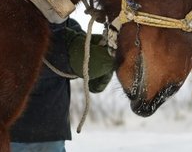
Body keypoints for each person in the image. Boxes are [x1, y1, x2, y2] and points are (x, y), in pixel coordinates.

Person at [10, 19, 115, 152]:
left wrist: (108, 54)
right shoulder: (64, 29)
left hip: (34, 132)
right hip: (36, 132)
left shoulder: (66, 26)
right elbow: (94, 77)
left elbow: (95, 83)